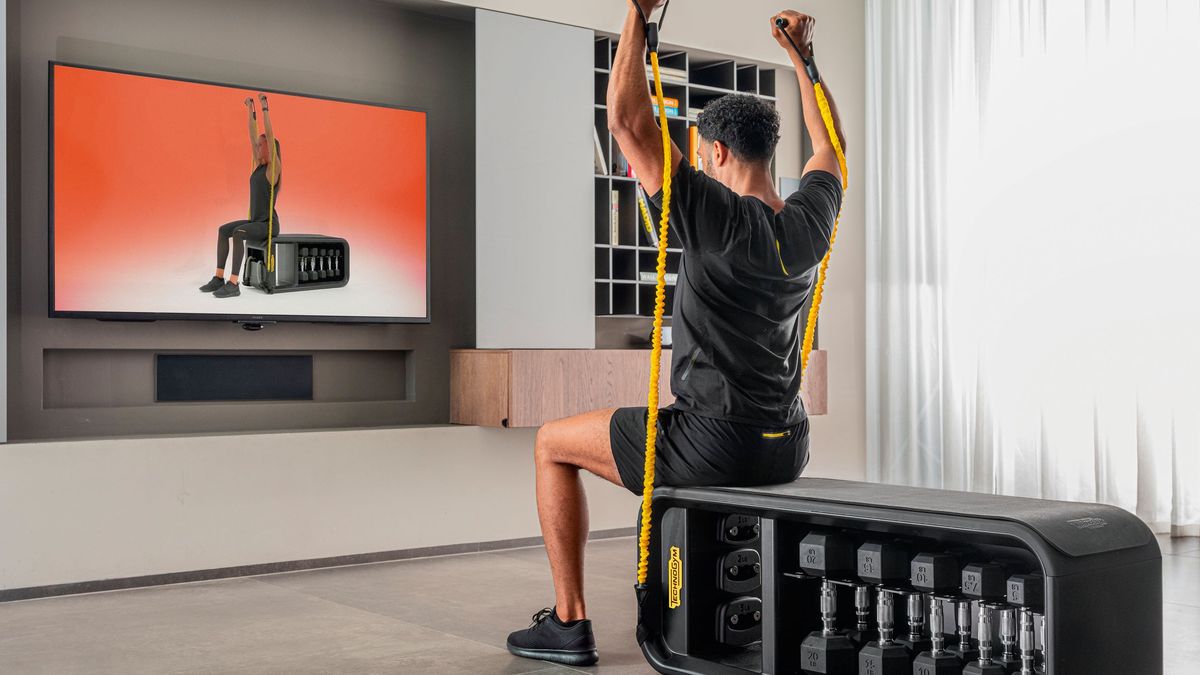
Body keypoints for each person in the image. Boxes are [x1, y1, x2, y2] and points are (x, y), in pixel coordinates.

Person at [504, 3, 846, 667]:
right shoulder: (810, 223)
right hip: (788, 444)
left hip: (716, 441)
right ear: (769, 153)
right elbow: (829, 143)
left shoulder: (716, 216)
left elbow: (628, 123)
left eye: (702, 156)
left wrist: (637, 10)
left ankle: (569, 622)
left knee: (550, 443)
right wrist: (804, 59)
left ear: (715, 152)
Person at [200, 93, 282, 298]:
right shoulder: (258, 166)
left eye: (261, 145)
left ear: (270, 148)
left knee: (238, 233)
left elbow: (269, 137)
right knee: (223, 230)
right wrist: (249, 109)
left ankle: (233, 283)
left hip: (267, 224)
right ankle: (219, 277)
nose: (258, 146)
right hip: (254, 221)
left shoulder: (273, 169)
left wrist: (264, 109)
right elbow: (252, 135)